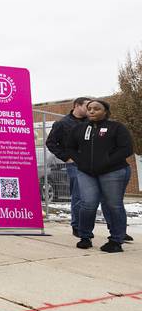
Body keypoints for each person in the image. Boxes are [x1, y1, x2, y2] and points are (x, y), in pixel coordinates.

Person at [65, 99, 133, 253]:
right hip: (86, 172)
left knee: (113, 205)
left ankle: (116, 240)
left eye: (97, 108)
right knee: (87, 204)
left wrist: (106, 161)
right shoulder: (80, 129)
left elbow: (126, 149)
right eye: (89, 108)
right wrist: (81, 162)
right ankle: (85, 237)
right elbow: (70, 147)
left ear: (105, 112)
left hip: (113, 171)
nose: (92, 111)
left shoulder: (116, 127)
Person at [46, 97, 90, 237]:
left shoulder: (92, 122)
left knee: (100, 196)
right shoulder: (62, 123)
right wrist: (66, 158)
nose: (90, 109)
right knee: (78, 195)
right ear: (77, 106)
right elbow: (51, 143)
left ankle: (114, 228)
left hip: (95, 164)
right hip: (75, 165)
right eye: (87, 106)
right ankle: (77, 226)